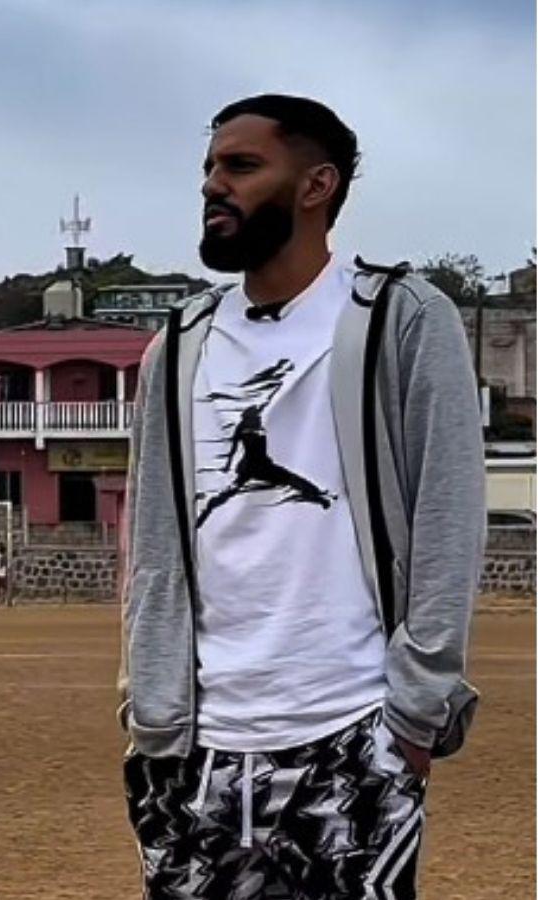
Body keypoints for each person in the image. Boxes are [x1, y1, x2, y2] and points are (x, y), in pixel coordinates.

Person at [118, 94, 484, 900]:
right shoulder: (178, 345)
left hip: (353, 734)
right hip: (194, 750)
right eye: (210, 167)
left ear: (317, 186)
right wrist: (148, 712)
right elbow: (150, 541)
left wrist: (413, 717)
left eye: (242, 166)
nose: (215, 185)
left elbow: (449, 521)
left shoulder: (402, 319)